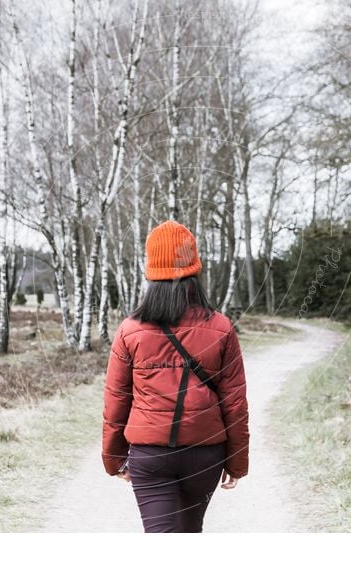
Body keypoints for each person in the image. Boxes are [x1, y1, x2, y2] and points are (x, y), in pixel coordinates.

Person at [101, 219, 250, 533]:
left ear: (151, 273)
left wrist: (114, 458)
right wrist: (236, 462)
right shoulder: (221, 327)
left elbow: (116, 399)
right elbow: (235, 403)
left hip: (149, 456)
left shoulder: (130, 330)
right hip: (205, 455)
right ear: (195, 270)